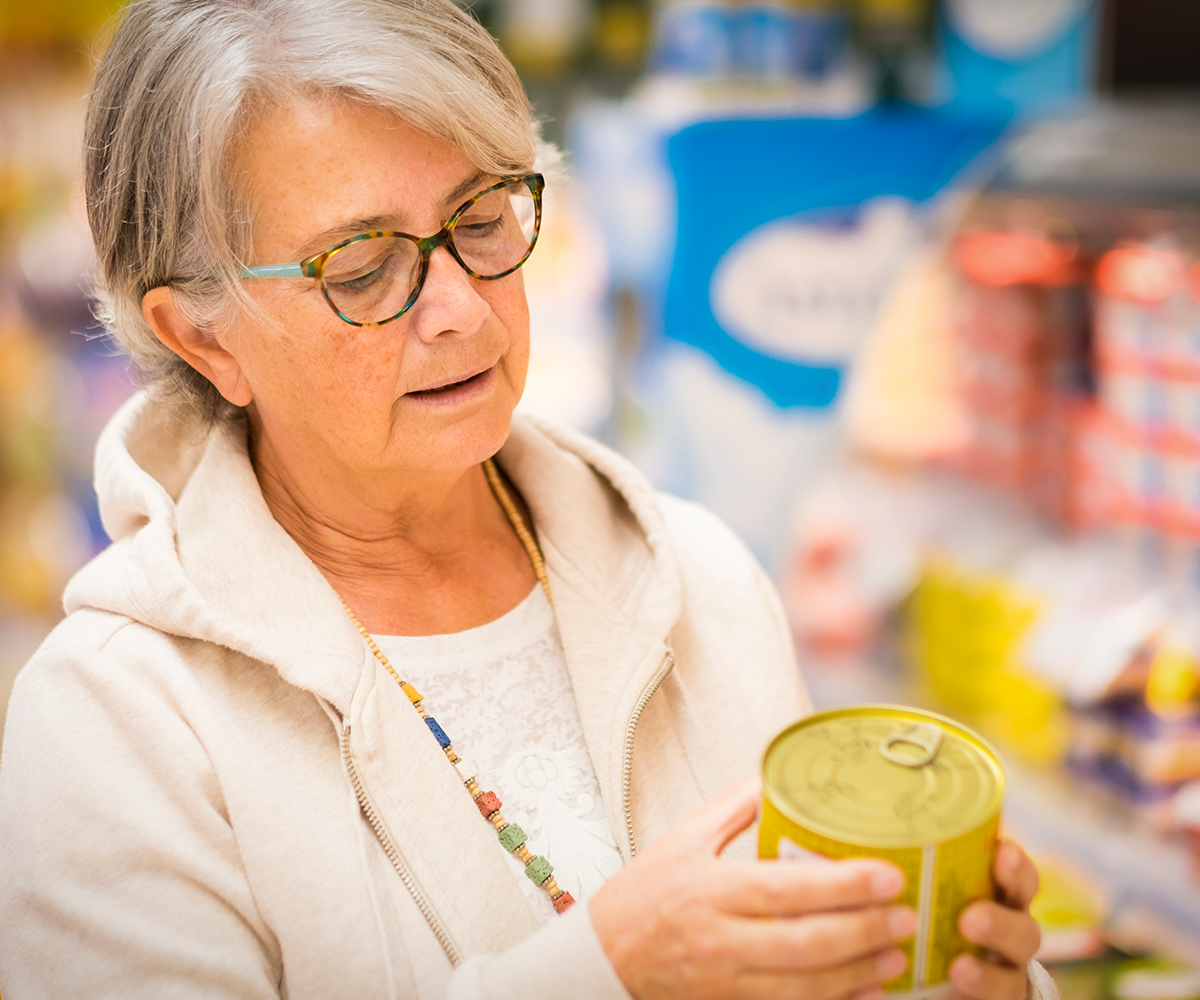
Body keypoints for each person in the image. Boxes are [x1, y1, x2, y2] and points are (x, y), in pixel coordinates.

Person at [0, 1, 1051, 997]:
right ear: (205, 337)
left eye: (484, 216)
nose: (460, 306)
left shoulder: (696, 575)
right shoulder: (112, 724)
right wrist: (613, 966)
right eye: (361, 267)